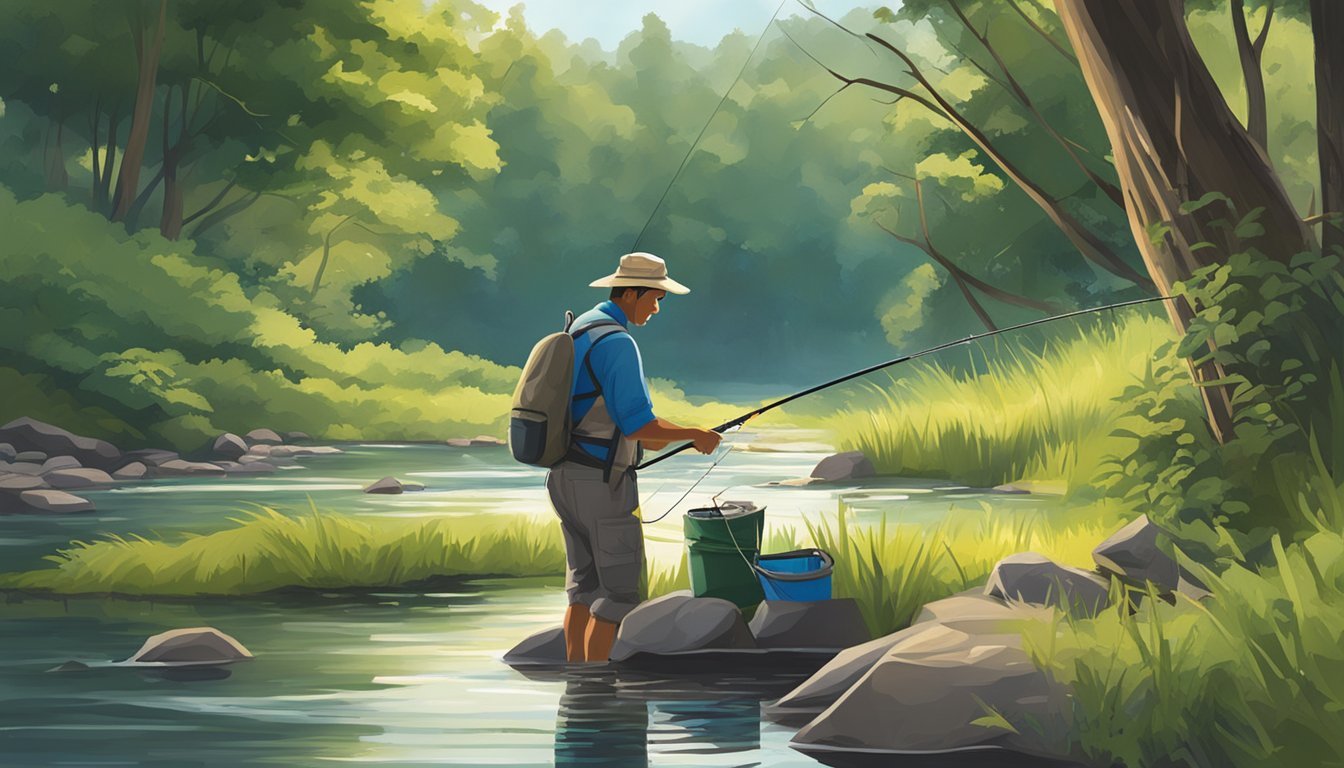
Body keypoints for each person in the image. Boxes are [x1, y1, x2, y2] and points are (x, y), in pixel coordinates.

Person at [546, 252, 722, 663]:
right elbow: (639, 426)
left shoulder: (579, 329)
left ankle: (577, 688)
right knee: (619, 595)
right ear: (630, 293)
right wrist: (695, 434)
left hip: (563, 477)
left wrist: (661, 437)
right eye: (655, 298)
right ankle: (596, 693)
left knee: (582, 590)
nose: (657, 308)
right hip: (602, 486)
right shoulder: (618, 342)